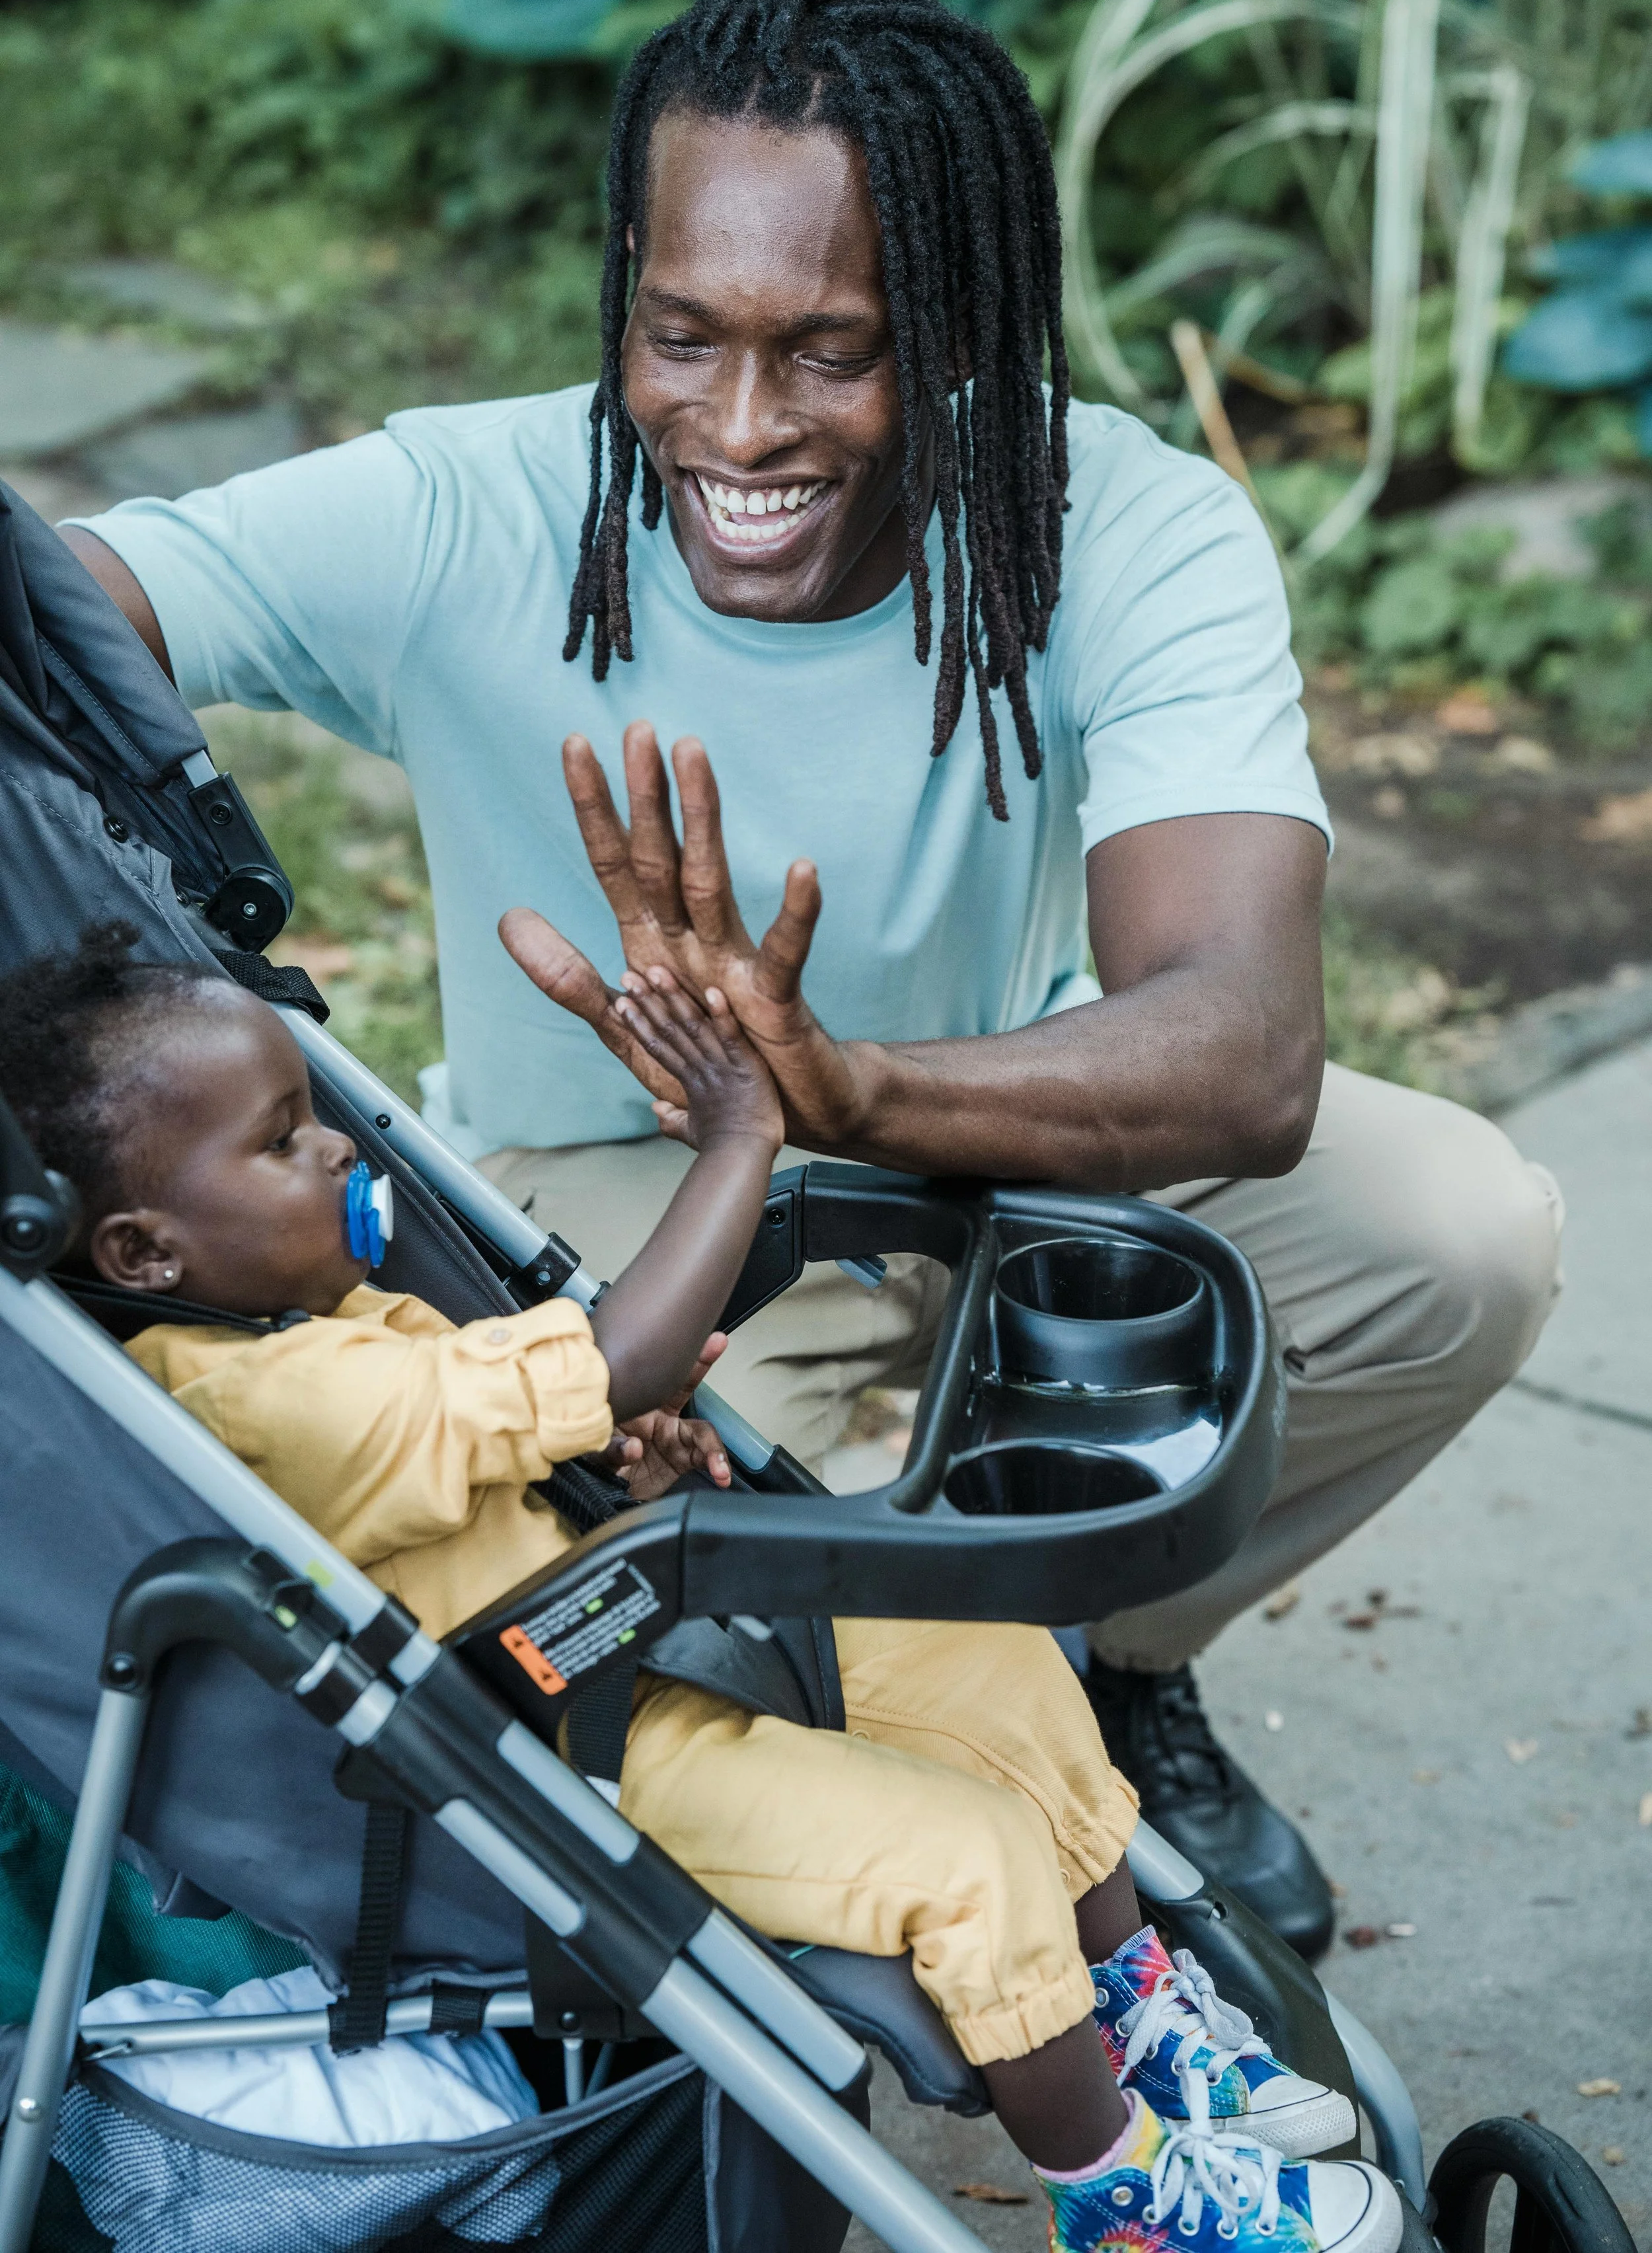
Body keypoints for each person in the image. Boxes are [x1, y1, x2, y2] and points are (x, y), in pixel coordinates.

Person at [59, 0, 1563, 1958]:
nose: (738, 426)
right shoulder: (462, 507)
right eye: (679, 336)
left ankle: (1116, 1663)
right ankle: (958, 1684)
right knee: (813, 1587)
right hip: (606, 1190)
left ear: (950, 327)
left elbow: (1240, 1046)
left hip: (1000, 1118)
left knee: (1460, 1231)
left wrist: (839, 1089)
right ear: (622, 284)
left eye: (828, 351)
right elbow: (74, 603)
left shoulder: (1115, 523)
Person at [0, 924, 1400, 2253]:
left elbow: (502, 1472)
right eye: (283, 1141)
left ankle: (1130, 2021)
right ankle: (1122, 2197)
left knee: (978, 1653)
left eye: (316, 1111)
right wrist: (741, 1139)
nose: (334, 1150)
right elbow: (603, 1363)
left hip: (625, 1638)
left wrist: (638, 1487)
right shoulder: (265, 1398)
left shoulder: (312, 1311)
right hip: (562, 1761)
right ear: (142, 1253)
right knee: (961, 1858)